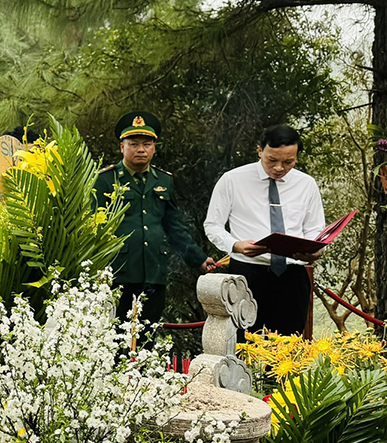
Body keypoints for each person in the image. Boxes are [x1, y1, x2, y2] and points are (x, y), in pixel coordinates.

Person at [94, 112, 215, 334]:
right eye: (134, 144)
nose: (141, 149)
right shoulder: (104, 180)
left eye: (147, 144)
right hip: (117, 272)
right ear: (122, 147)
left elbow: (174, 226)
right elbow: (93, 227)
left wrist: (197, 259)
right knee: (115, 337)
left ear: (154, 148)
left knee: (147, 336)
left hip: (153, 271)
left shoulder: (164, 180)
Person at [204, 124, 325, 337]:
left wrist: (315, 250)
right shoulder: (233, 180)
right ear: (260, 150)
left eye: (288, 162)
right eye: (272, 160)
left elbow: (315, 228)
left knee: (289, 348)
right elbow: (212, 225)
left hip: (292, 276)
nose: (279, 168)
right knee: (243, 343)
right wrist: (235, 245)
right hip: (247, 273)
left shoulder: (306, 184)